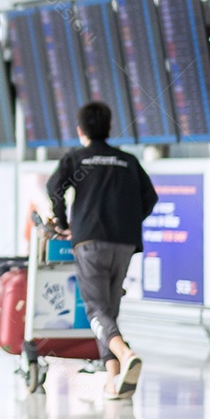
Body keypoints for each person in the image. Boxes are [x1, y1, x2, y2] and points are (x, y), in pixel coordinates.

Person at [46, 101, 158, 401]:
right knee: (108, 310)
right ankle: (112, 379)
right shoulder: (127, 160)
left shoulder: (77, 158)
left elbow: (54, 187)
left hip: (89, 242)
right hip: (124, 243)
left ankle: (124, 354)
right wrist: (130, 221)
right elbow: (151, 197)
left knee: (96, 310)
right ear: (109, 128)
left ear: (80, 130)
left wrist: (63, 221)